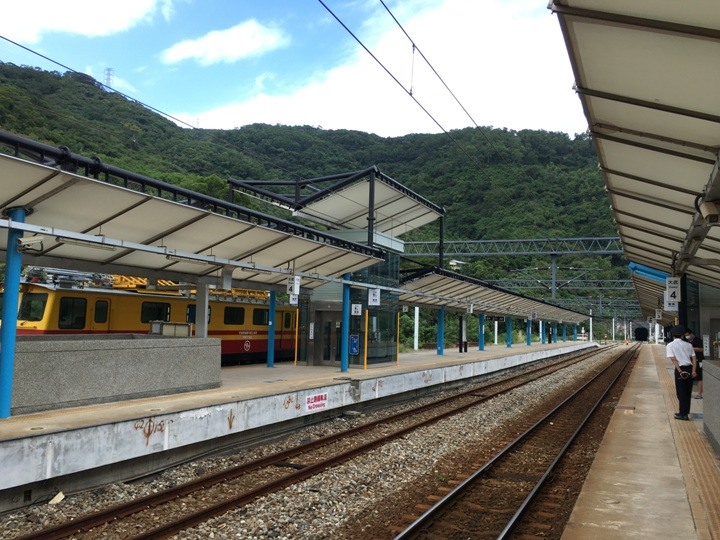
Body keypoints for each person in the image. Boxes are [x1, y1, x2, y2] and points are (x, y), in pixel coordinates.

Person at [667, 325, 697, 420]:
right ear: (683, 335)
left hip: (680, 369)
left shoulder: (670, 345)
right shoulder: (689, 345)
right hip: (689, 368)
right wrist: (693, 371)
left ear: (673, 335)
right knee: (688, 392)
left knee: (681, 392)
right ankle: (684, 412)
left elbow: (673, 359)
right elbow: (694, 358)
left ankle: (683, 414)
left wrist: (680, 371)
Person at [685, 329, 704, 399]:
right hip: (689, 361)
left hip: (698, 361)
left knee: (699, 378)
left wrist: (691, 348)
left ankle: (699, 394)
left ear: (691, 334)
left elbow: (701, 349)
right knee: (689, 378)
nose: (687, 336)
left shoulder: (698, 340)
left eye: (688, 335)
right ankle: (688, 393)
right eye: (685, 335)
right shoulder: (686, 341)